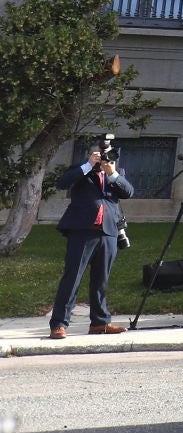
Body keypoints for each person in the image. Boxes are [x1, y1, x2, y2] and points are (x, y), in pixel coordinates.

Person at [48, 143, 136, 339]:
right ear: (90, 154)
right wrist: (88, 165)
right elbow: (62, 183)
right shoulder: (81, 170)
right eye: (100, 155)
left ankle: (100, 323)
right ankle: (59, 324)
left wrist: (112, 173)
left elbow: (129, 192)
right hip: (82, 231)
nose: (104, 158)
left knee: (101, 280)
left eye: (108, 155)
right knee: (72, 278)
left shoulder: (116, 173)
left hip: (109, 231)